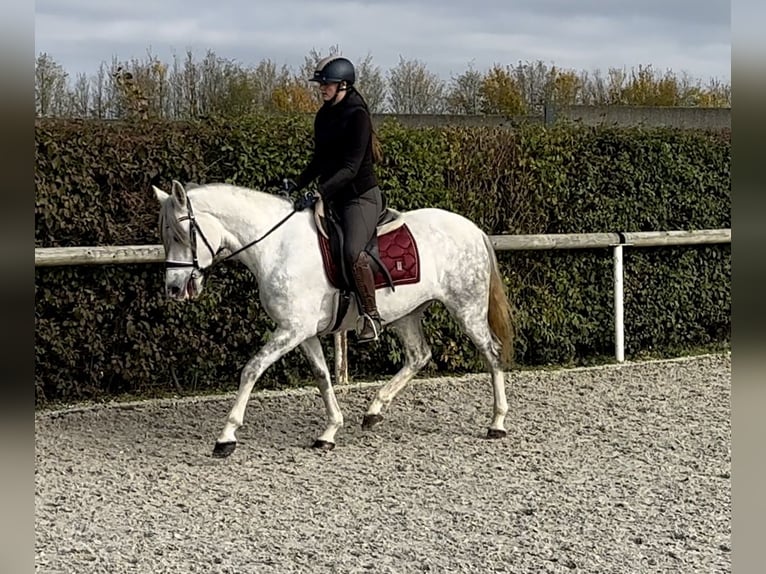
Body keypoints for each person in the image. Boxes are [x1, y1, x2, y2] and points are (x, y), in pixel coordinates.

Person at [288, 55, 385, 343]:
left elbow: (350, 168)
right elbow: (320, 159)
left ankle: (372, 316)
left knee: (353, 250)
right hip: (334, 197)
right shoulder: (324, 115)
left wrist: (318, 192)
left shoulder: (358, 116)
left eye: (326, 84)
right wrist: (297, 182)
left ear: (343, 84)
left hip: (360, 198)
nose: (321, 88)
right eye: (321, 84)